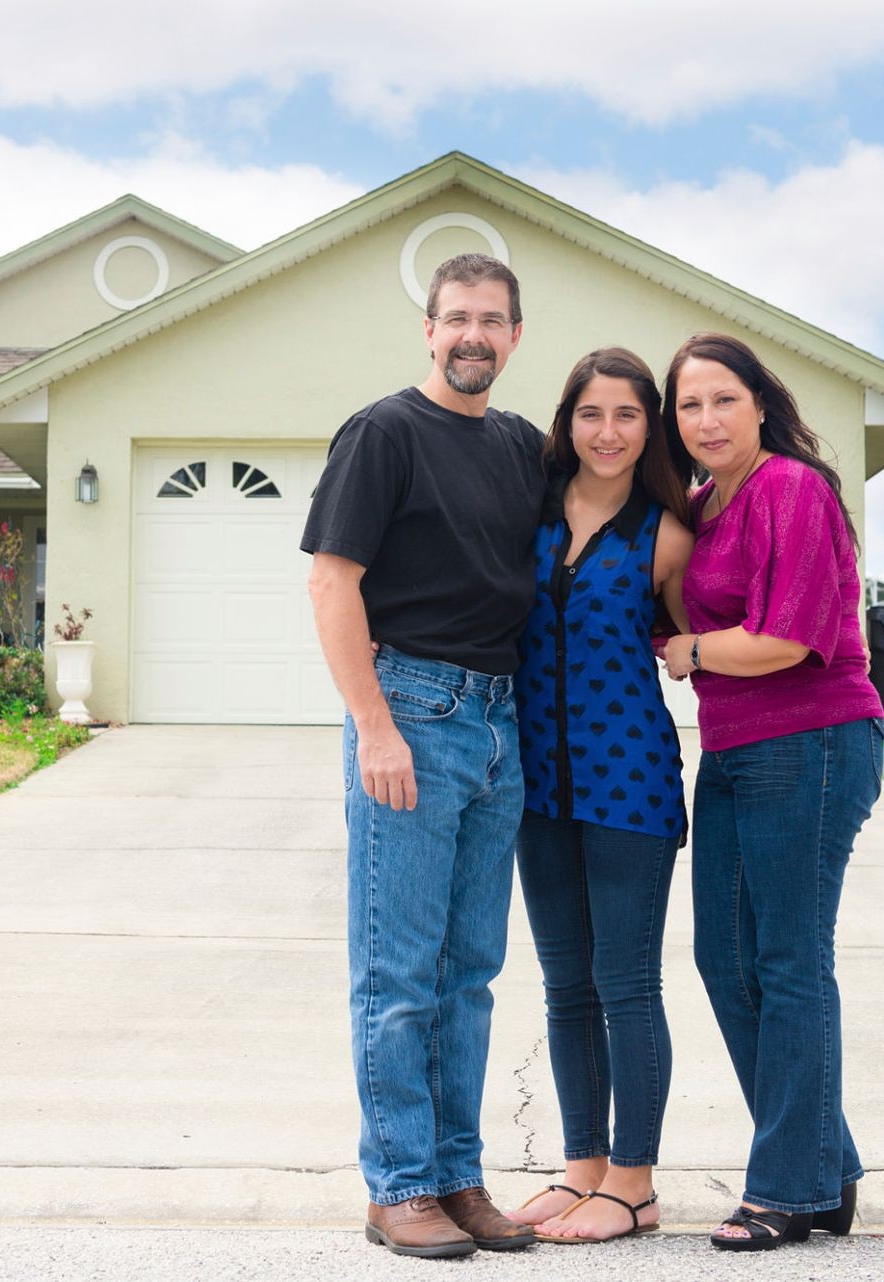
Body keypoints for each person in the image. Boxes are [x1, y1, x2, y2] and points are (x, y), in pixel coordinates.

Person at [302, 253, 545, 1259]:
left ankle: (455, 1174)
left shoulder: (525, 448)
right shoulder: (383, 433)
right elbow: (331, 582)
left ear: (515, 336)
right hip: (410, 708)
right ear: (428, 329)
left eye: (491, 319)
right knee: (399, 971)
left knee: (470, 973)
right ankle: (396, 1183)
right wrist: (373, 723)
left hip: (499, 722)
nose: (472, 335)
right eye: (455, 318)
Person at [658, 332, 884, 1252]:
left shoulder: (792, 487)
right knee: (726, 960)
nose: (705, 419)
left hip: (815, 739)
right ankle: (826, 1171)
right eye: (688, 406)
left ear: (760, 402)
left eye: (722, 399)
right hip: (737, 747)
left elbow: (787, 639)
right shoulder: (706, 503)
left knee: (790, 960)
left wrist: (694, 651)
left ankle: (787, 1191)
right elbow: (687, 603)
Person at [504, 347, 695, 1243]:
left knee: (625, 982)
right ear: (567, 422)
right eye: (591, 413)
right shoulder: (528, 512)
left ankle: (635, 1181)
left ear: (648, 426)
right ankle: (583, 1170)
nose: (608, 432)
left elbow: (703, 637)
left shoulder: (668, 533)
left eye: (627, 414)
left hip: (632, 786)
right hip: (536, 784)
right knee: (563, 985)